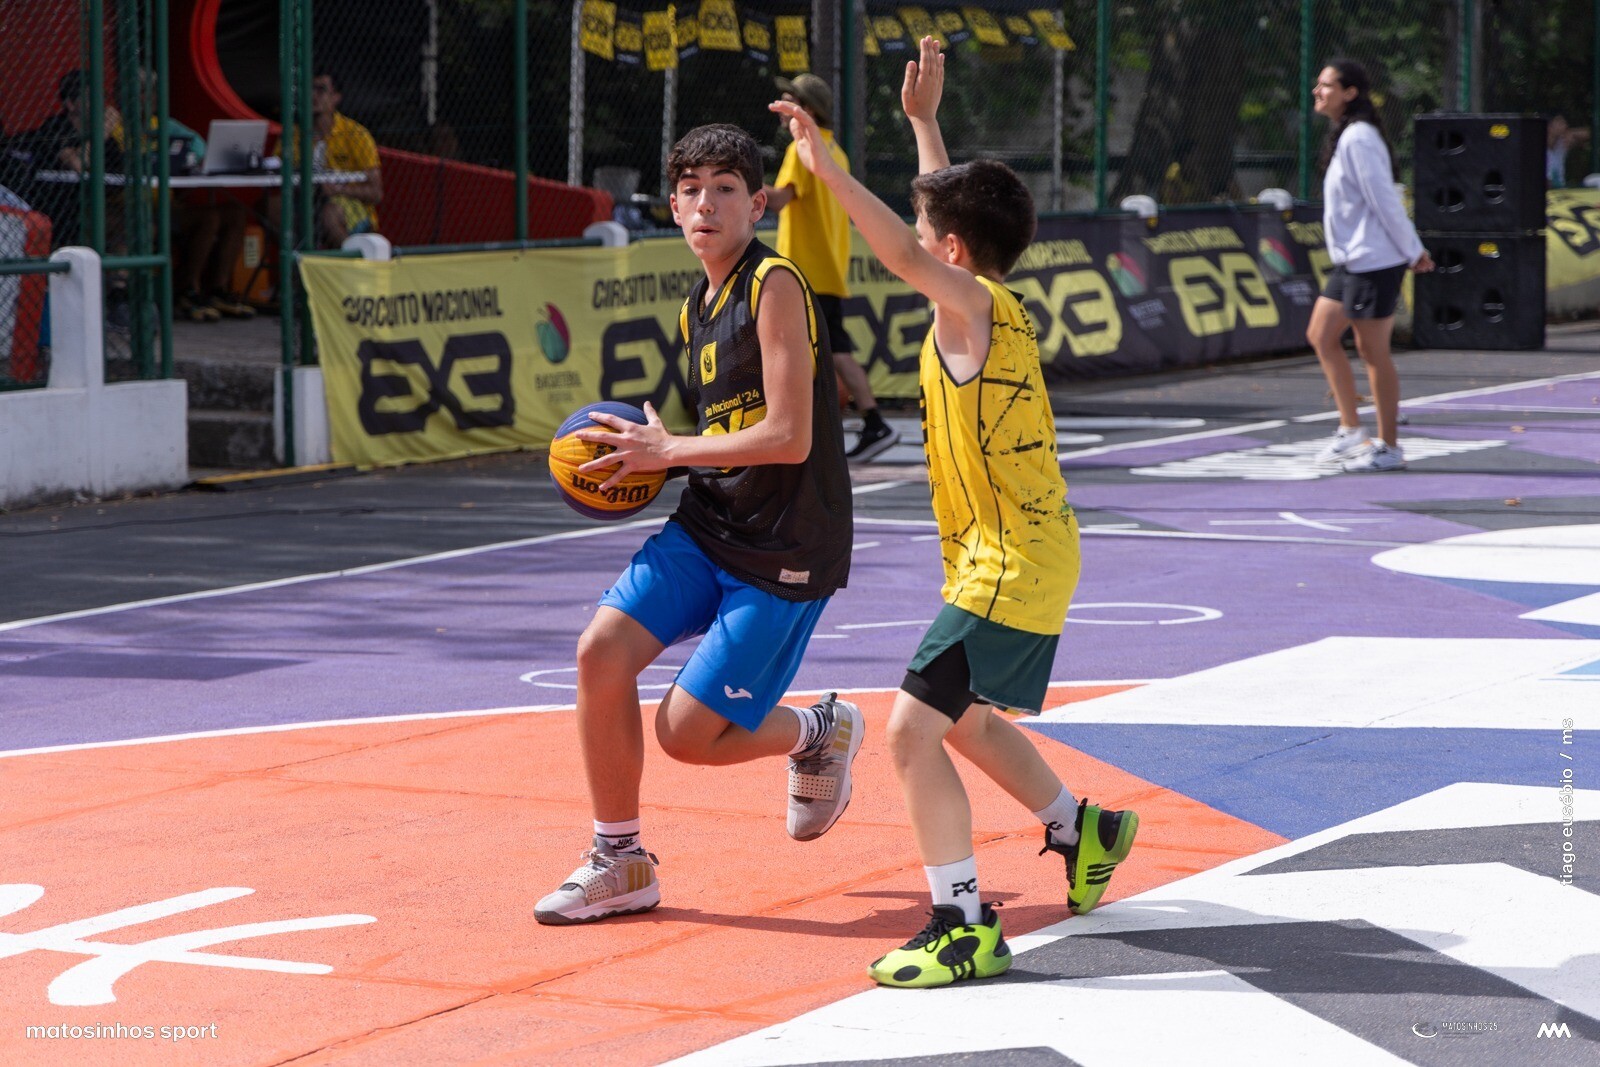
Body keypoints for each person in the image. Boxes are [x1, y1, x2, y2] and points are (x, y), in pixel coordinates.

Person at [771, 36, 1139, 989]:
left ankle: (964, 923)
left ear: (951, 253)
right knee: (964, 719)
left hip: (1010, 561)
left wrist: (827, 170)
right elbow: (937, 226)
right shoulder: (983, 299)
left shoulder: (967, 303)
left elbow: (907, 245)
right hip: (1012, 551)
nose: (915, 234)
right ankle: (1082, 829)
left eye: (928, 228)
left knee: (908, 731)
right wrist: (925, 124)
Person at [533, 123, 859, 926]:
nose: (705, 204)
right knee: (600, 652)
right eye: (690, 190)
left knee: (684, 734)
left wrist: (671, 449)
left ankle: (818, 727)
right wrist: (652, 458)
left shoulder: (774, 285)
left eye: (724, 189)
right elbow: (726, 435)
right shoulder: (697, 306)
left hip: (785, 544)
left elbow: (791, 435)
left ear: (758, 203)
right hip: (711, 521)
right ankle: (620, 858)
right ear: (673, 207)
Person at [763, 74, 900, 463]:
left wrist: (738, 181)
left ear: (806, 109)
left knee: (825, 350)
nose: (782, 106)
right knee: (827, 350)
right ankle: (859, 422)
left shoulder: (802, 148)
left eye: (790, 99)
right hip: (824, 268)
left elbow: (779, 200)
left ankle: (871, 421)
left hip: (806, 269)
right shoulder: (834, 151)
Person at [1306, 59, 1434, 473]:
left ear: (1350, 93)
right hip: (1352, 260)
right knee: (1321, 335)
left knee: (1372, 352)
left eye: (1326, 85)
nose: (1317, 91)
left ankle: (1389, 447)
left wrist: (1413, 250)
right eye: (1319, 84)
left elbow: (1384, 199)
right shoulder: (1347, 135)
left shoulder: (1359, 137)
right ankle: (1350, 429)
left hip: (1374, 260)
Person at [268, 70, 382, 248]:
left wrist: (339, 189)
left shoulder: (356, 134)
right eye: (308, 89)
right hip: (303, 199)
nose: (312, 95)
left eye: (320, 89)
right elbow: (274, 169)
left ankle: (350, 260)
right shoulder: (292, 134)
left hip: (346, 200)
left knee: (330, 213)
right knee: (272, 205)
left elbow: (375, 192)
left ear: (336, 97)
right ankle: (298, 257)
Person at [1546, 114, 1590, 189]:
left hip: (1560, 188)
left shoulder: (1562, 144)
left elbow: (1588, 134)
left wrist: (1572, 133)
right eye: (1560, 123)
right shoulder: (1538, 145)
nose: (1564, 126)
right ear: (1549, 126)